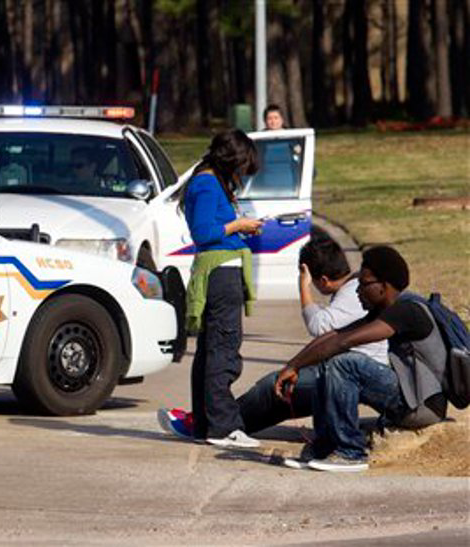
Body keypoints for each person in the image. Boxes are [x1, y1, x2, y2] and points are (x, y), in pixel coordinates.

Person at [159, 236, 389, 437]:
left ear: (322, 280)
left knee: (273, 388)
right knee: (280, 385)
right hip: (351, 368)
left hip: (357, 373)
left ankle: (219, 425)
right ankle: (214, 421)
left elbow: (319, 326)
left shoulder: (350, 292)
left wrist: (303, 287)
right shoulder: (350, 290)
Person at [273, 245, 448, 472]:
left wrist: (295, 365)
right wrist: (293, 365)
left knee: (345, 363)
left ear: (383, 287)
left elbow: (345, 342)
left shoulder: (407, 311)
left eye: (363, 285)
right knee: (329, 362)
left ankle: (350, 452)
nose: (357, 292)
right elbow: (334, 336)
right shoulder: (386, 310)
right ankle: (324, 449)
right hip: (408, 398)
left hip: (422, 406)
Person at [158, 129, 263, 449]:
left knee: (210, 352)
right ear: (232, 159)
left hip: (220, 272)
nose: (243, 174)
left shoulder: (208, 181)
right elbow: (204, 232)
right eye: (243, 166)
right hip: (220, 274)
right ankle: (223, 427)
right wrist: (239, 225)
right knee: (223, 351)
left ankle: (206, 425)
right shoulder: (206, 182)